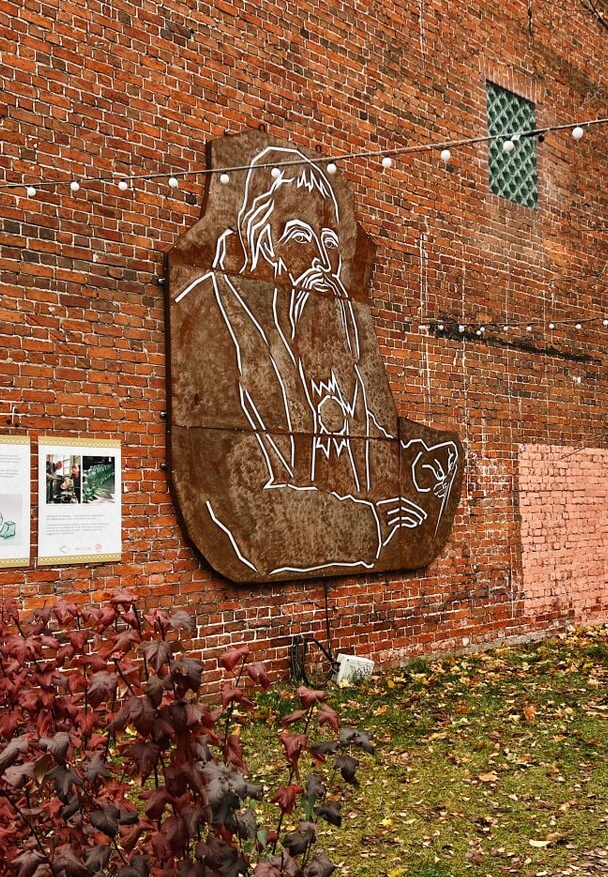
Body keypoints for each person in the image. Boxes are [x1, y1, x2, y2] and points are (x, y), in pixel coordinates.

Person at [169, 143, 461, 580]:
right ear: (261, 244)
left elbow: (377, 438)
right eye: (302, 238)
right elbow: (241, 504)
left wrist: (426, 456)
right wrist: (371, 526)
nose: (324, 264)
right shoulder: (211, 315)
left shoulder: (338, 331)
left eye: (330, 244)